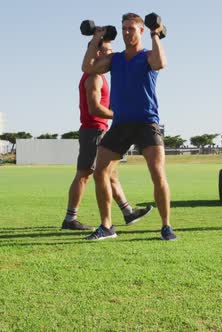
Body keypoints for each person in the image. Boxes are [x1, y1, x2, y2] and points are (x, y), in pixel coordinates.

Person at [81, 13, 177, 240]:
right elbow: (88, 66)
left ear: (140, 31)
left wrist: (156, 34)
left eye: (131, 29)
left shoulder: (147, 56)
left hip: (146, 123)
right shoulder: (114, 59)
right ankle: (106, 226)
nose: (126, 33)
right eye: (124, 28)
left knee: (157, 172)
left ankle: (166, 226)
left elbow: (161, 63)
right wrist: (97, 37)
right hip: (121, 124)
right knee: (100, 172)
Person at [61, 38, 152, 231]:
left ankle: (128, 212)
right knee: (84, 174)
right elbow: (95, 109)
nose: (112, 54)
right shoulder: (93, 77)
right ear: (99, 53)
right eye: (109, 50)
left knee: (110, 173)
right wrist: (120, 114)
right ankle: (70, 219)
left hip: (99, 129)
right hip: (94, 130)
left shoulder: (98, 76)